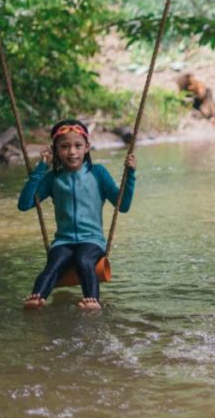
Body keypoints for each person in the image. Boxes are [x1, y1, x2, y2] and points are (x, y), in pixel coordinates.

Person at [18, 119, 136, 311]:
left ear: (87, 148)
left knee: (84, 260)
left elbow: (123, 206)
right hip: (63, 241)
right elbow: (24, 204)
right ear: (55, 150)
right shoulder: (53, 178)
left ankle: (92, 301)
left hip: (92, 240)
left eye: (78, 146)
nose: (72, 152)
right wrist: (41, 168)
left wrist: (130, 175)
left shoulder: (98, 173)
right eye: (64, 146)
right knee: (55, 263)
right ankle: (37, 298)